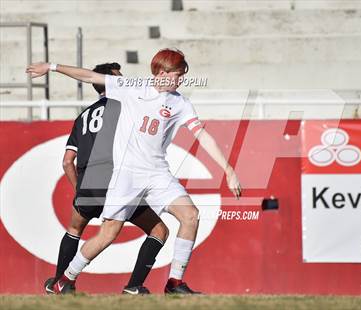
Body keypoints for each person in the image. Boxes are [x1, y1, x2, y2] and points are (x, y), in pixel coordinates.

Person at [26, 49, 242, 294]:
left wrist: (229, 170)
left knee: (190, 215)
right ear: (163, 73)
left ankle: (174, 283)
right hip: (127, 174)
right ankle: (66, 279)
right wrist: (52, 67)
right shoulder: (131, 87)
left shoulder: (180, 102)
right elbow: (89, 76)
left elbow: (202, 135)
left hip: (158, 173)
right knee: (109, 233)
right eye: (179, 75)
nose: (181, 79)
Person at [44, 62, 168, 295]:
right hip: (117, 180)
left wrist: (79, 189)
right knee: (158, 230)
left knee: (74, 229)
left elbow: (67, 161)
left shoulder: (83, 116)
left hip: (88, 182)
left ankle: (60, 283)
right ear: (111, 81)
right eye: (120, 78)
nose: (125, 81)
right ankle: (133, 287)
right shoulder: (126, 107)